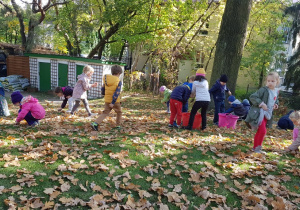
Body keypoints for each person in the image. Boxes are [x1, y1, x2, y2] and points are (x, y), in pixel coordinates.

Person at [245, 72, 280, 154]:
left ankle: (256, 148)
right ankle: (257, 148)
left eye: (272, 81)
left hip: (268, 114)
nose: (270, 83)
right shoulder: (264, 90)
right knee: (262, 131)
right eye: (268, 81)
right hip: (260, 113)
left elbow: (275, 99)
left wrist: (276, 104)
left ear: (277, 82)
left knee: (260, 131)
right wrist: (261, 104)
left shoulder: (276, 91)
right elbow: (253, 97)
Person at [91, 65, 123, 131]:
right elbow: (117, 92)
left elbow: (103, 88)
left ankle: (95, 123)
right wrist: (113, 102)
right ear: (119, 73)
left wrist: (103, 94)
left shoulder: (106, 79)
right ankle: (118, 125)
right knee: (119, 112)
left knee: (105, 112)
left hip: (107, 100)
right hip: (115, 101)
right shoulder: (118, 81)